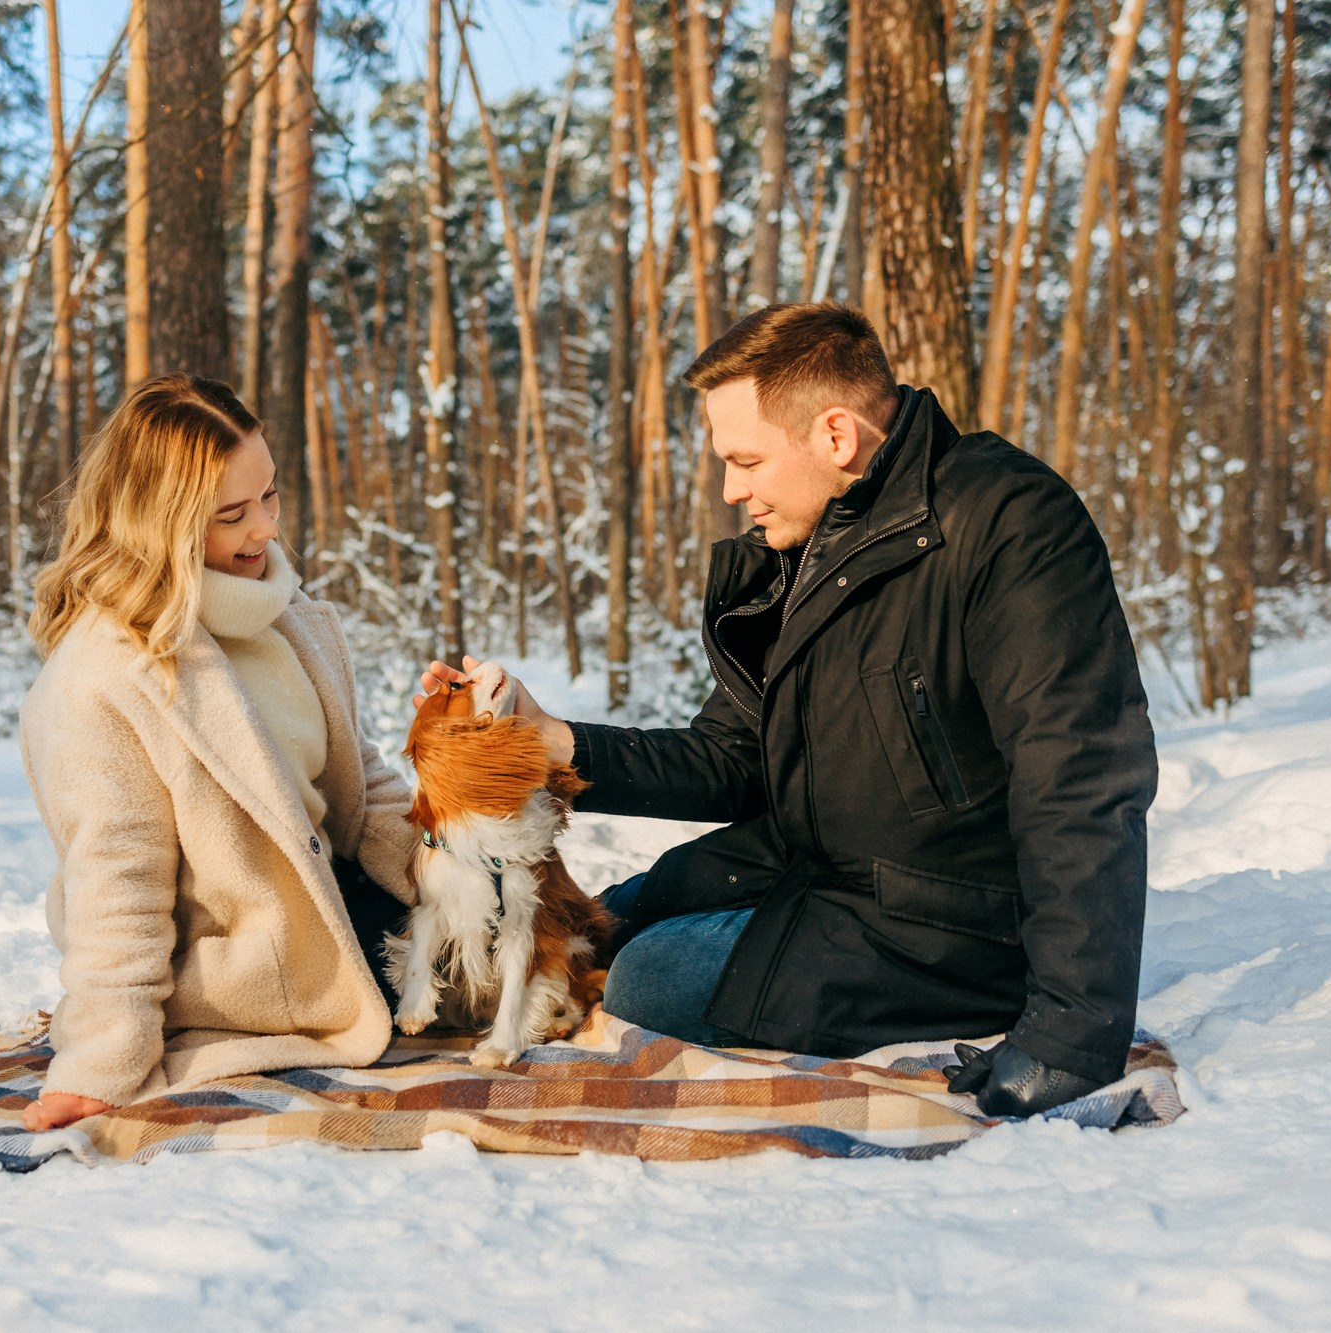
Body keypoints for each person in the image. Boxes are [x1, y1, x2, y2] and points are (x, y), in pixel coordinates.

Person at [421, 303, 1158, 1116]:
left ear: (835, 436)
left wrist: (1069, 1036)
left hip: (951, 923)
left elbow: (1081, 779)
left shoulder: (1009, 523)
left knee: (644, 979)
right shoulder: (811, 540)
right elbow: (732, 759)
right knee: (601, 928)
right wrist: (549, 736)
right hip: (814, 869)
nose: (734, 490)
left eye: (745, 460)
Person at [18, 374, 416, 1132]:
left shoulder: (286, 615)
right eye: (230, 514)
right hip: (252, 964)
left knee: (552, 922)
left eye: (268, 496)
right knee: (598, 958)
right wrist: (103, 1059)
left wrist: (439, 870)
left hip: (348, 909)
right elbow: (116, 879)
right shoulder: (105, 675)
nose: (263, 529)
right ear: (155, 521)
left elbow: (361, 780)